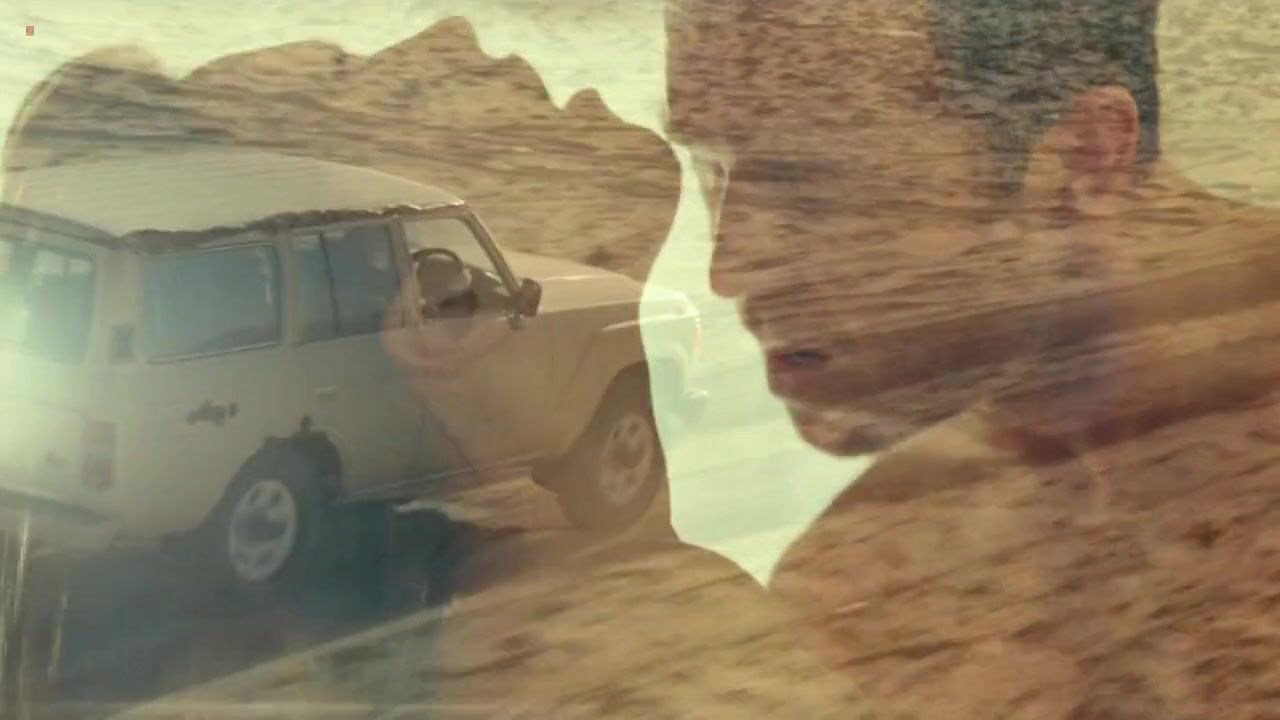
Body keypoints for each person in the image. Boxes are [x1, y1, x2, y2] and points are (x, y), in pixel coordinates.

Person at [663, 0, 1280, 717]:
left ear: (1088, 156)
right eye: (710, 171)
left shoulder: (882, 588)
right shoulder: (868, 586)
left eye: (809, 183)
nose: (729, 269)